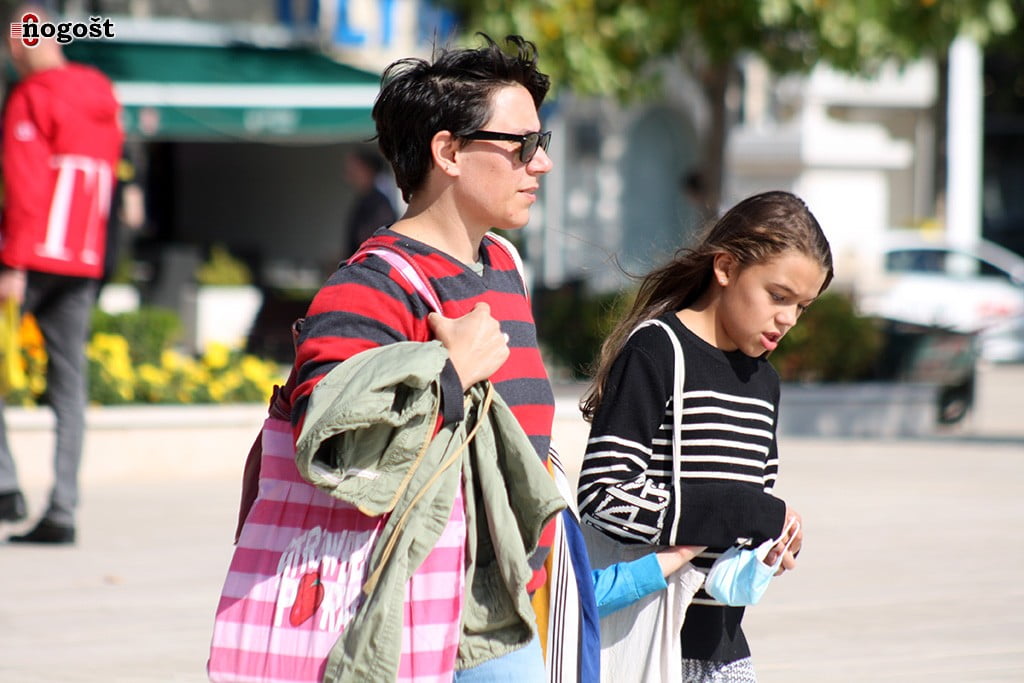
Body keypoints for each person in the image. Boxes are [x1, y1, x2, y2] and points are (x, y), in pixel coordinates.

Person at [577, 190, 834, 681]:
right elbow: (602, 497)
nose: (788, 318)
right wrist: (741, 512)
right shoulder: (657, 349)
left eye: (802, 306)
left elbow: (745, 510)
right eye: (778, 296)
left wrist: (771, 544)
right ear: (725, 267)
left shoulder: (765, 380)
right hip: (644, 641)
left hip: (725, 650)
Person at [0, 4, 123, 544]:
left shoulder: (31, 96)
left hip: (34, 256)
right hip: (83, 256)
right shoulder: (102, 96)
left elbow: (24, 182)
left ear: (20, 45)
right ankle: (63, 510)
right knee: (70, 383)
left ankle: (5, 487)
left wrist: (12, 262)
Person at [341, 147, 397, 259]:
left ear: (367, 170)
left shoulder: (378, 204)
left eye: (353, 170)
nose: (348, 175)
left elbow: (377, 241)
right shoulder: (365, 200)